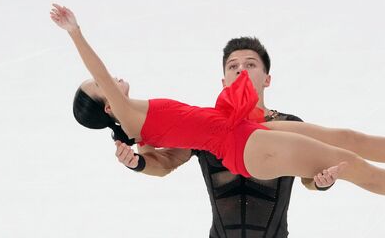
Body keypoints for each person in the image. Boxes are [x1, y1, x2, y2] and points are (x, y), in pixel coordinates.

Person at [51, 4, 385, 229]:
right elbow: (107, 80)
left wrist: (140, 162)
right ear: (106, 105)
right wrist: (76, 33)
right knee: (353, 165)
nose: (108, 81)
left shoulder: (139, 123)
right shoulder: (128, 117)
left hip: (242, 128)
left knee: (347, 137)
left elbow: (158, 161)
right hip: (241, 147)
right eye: (100, 88)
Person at [114, 36, 341, 237]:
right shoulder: (205, 125)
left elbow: (308, 180)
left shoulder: (289, 126)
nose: (241, 70)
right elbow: (165, 164)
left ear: (267, 79)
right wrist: (137, 162)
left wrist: (321, 183)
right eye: (233, 66)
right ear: (224, 81)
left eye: (250, 64)